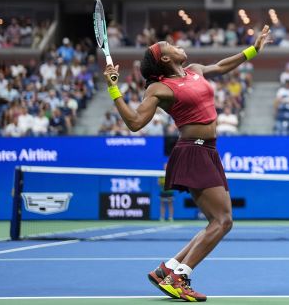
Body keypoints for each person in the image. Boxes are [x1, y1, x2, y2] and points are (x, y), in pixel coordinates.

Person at [104, 25, 271, 302]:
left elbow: (221, 65)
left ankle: (167, 270)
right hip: (191, 152)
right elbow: (135, 123)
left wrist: (254, 49)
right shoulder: (159, 88)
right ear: (165, 59)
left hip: (209, 151)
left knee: (218, 220)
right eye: (167, 45)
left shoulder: (194, 70)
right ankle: (179, 277)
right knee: (223, 221)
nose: (174, 44)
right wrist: (112, 88)